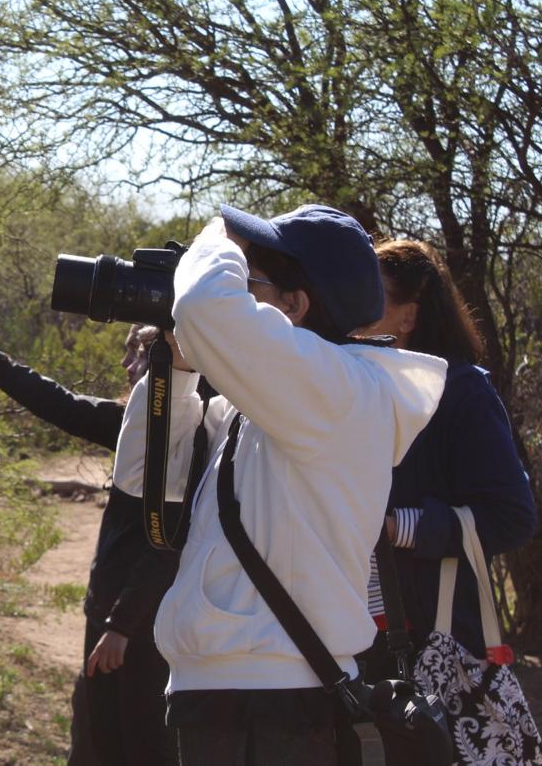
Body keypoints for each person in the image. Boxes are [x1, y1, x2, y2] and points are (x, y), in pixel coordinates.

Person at [141, 206, 447, 764]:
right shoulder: (267, 406)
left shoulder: (342, 391)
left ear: (294, 305)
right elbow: (142, 477)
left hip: (279, 696)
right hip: (227, 691)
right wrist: (181, 367)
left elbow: (205, 306)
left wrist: (216, 239)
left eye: (250, 278)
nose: (237, 283)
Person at [0, 318, 185, 765]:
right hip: (114, 618)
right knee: (93, 737)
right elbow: (61, 404)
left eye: (140, 355)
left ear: (172, 364)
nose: (127, 366)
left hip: (139, 628)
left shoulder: (179, 431)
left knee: (137, 744)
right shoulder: (135, 421)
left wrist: (121, 626)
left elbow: (165, 543)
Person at [360, 239, 535, 673]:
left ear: (410, 315)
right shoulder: (357, 389)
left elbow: (512, 517)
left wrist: (397, 529)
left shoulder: (463, 391)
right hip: (360, 643)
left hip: (436, 645)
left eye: (370, 292)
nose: (352, 303)